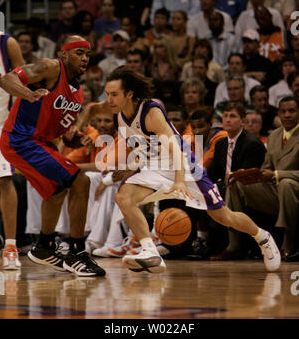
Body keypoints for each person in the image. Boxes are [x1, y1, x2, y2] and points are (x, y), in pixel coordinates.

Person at [105, 65, 281, 273]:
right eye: (107, 94)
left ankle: (262, 237)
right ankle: (150, 252)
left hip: (185, 166)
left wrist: (179, 180)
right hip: (155, 166)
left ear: (129, 94)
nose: (109, 99)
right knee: (123, 197)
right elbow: (97, 110)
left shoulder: (151, 112)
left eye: (114, 94)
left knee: (223, 216)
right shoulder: (117, 113)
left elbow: (176, 151)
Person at [0, 35, 106, 277]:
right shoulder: (50, 67)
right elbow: (7, 78)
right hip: (20, 140)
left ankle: (44, 247)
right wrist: (26, 93)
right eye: (79, 52)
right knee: (81, 181)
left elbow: (60, 133)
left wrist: (73, 138)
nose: (85, 58)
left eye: (88, 54)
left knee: (57, 191)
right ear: (64, 54)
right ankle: (77, 253)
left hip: (42, 144)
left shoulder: (77, 95)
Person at [228, 96, 299, 261]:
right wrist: (248, 174)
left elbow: (274, 174)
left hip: (293, 189)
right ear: (279, 114)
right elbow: (266, 168)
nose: (287, 115)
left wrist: (276, 175)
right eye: (283, 111)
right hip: (275, 190)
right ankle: (235, 244)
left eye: (292, 111)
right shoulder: (274, 135)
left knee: (286, 184)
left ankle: (287, 245)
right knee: (236, 182)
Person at [207, 101, 267, 259]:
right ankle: (199, 242)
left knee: (221, 190)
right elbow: (212, 173)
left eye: (232, 116)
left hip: (247, 190)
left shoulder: (252, 143)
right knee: (200, 190)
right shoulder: (221, 144)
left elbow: (247, 176)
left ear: (243, 121)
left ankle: (233, 246)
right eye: (225, 116)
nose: (227, 120)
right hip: (224, 186)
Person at [0, 32, 25, 269]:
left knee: (5, 181)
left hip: (1, 123)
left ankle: (10, 247)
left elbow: (26, 78)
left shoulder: (6, 43)